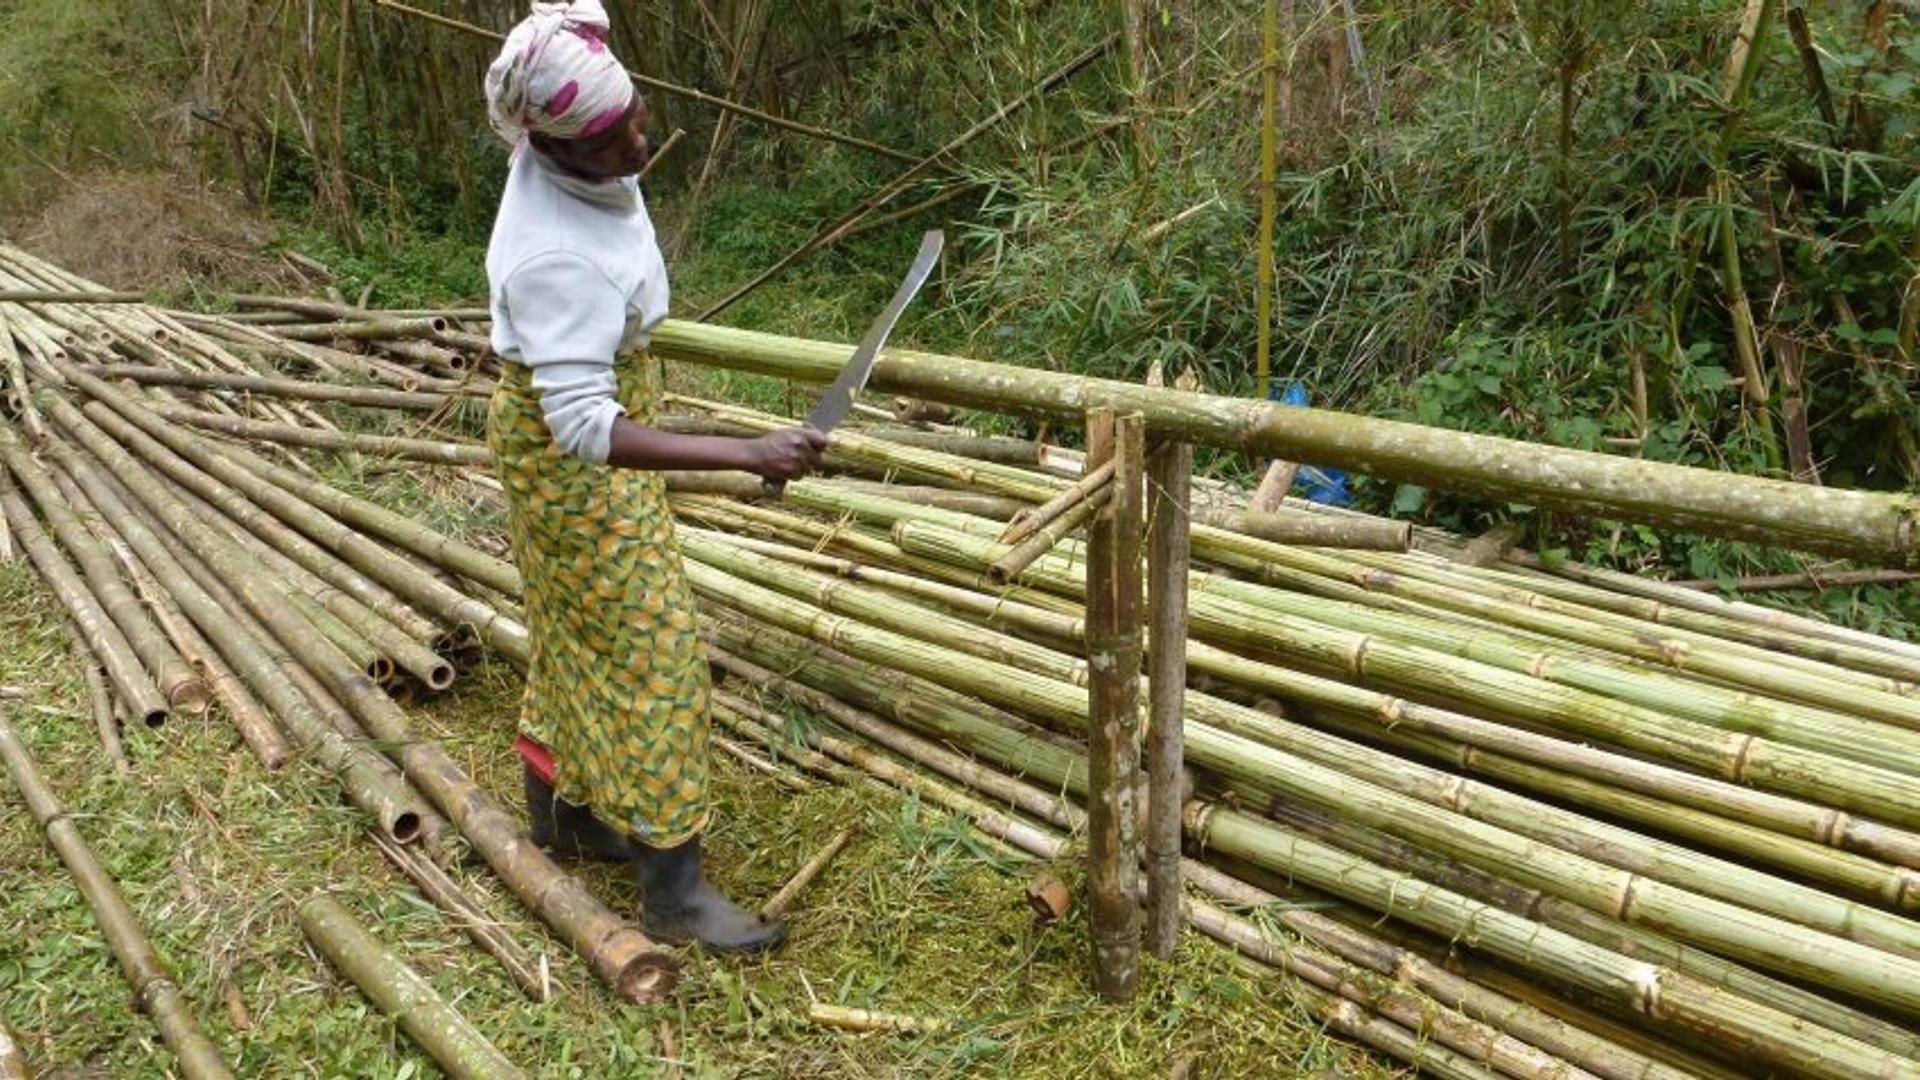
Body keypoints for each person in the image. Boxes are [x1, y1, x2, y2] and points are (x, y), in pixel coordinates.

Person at [482, 0, 825, 954]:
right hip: (569, 456)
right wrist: (747, 453)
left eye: (636, 111)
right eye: (617, 134)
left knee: (573, 626)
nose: (643, 135)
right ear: (556, 149)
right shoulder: (557, 257)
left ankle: (560, 813)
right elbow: (586, 425)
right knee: (656, 656)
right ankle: (673, 889)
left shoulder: (560, 115)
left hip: (568, 425)